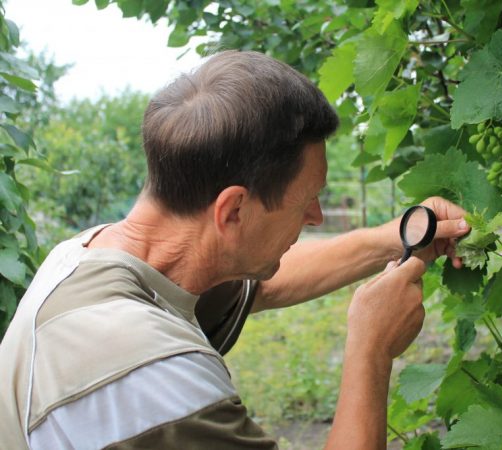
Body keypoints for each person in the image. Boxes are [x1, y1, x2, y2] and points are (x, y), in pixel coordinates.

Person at [0, 50, 469, 449]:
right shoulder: (145, 375)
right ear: (233, 211)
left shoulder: (91, 258)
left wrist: (400, 234)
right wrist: (371, 349)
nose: (317, 218)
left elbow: (261, 283)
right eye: (307, 201)